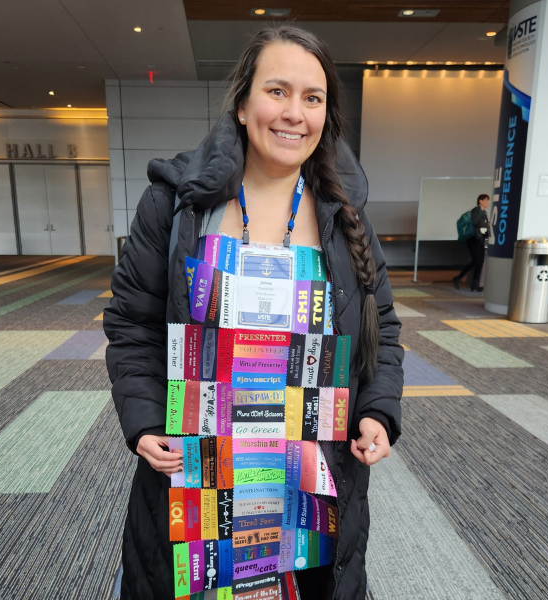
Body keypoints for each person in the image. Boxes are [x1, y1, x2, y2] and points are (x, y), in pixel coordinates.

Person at [103, 26, 404, 600]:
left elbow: (381, 328)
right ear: (242, 105)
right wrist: (143, 420)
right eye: (277, 91)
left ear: (326, 116)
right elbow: (131, 323)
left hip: (309, 481)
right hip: (200, 478)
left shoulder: (346, 218)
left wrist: (376, 412)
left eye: (312, 98)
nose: (294, 113)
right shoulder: (177, 205)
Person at [453, 194, 490, 292]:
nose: (488, 202)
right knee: (476, 260)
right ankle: (458, 277)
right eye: (486, 200)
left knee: (480, 261)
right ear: (480, 201)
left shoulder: (484, 212)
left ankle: (475, 284)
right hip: (473, 238)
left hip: (480, 238)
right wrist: (488, 224)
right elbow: (476, 223)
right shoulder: (476, 211)